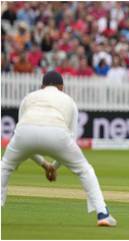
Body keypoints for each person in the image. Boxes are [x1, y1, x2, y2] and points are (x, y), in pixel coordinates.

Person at [1, 71, 117, 227]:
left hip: (25, 131)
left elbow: (25, 138)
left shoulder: (29, 97)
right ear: (62, 87)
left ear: (42, 86)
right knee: (85, 170)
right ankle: (102, 214)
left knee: (5, 166)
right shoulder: (68, 100)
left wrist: (45, 165)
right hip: (57, 132)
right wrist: (53, 167)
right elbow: (71, 139)